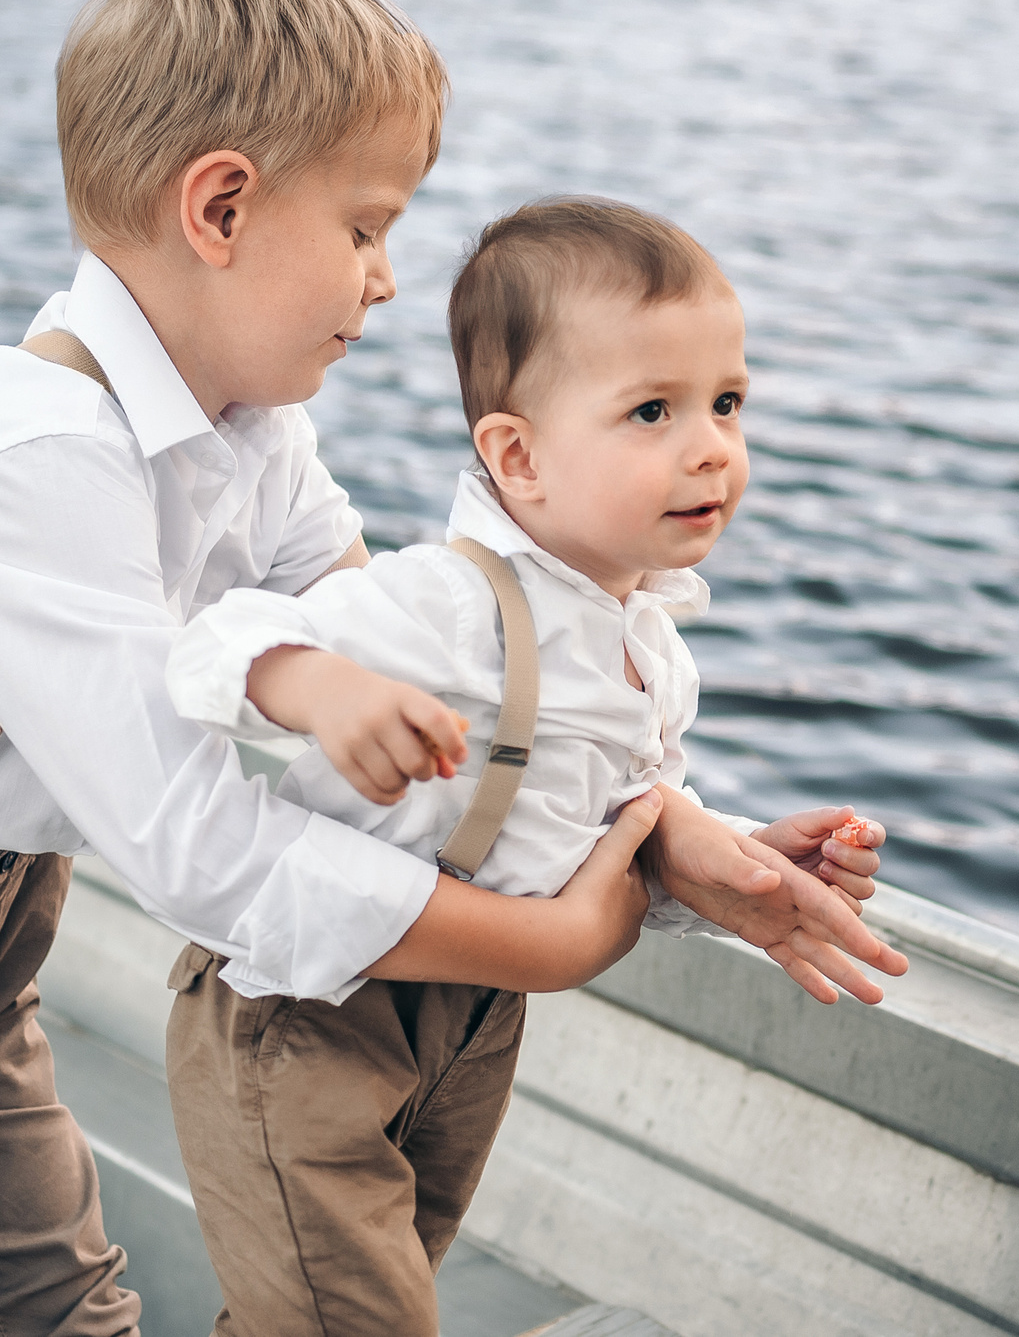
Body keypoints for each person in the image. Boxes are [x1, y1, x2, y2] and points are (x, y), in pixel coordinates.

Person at [0, 0, 895, 1337]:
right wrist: (549, 941)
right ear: (219, 205)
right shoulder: (28, 459)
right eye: (365, 227)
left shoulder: (252, 429)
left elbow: (411, 671)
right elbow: (195, 841)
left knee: (55, 1300)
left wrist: (665, 840)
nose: (389, 281)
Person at [159, 197, 906, 1336]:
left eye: (727, 403)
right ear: (517, 456)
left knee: (362, 1293)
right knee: (347, 1321)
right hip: (310, 1016)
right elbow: (211, 644)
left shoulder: (648, 648)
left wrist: (730, 863)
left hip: (473, 1021)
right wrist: (319, 684)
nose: (711, 444)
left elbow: (596, 837)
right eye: (652, 410)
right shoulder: (446, 605)